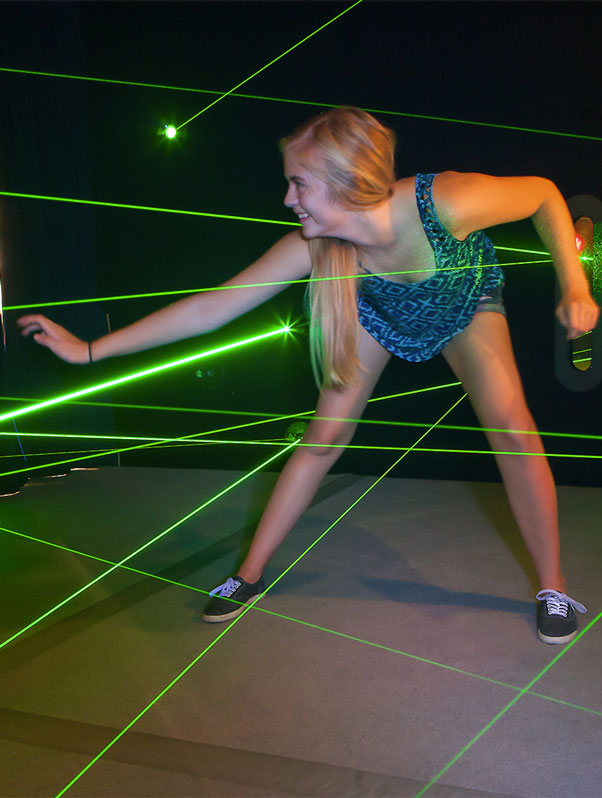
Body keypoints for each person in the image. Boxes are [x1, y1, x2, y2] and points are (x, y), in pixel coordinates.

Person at [18, 108, 599, 644]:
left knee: (514, 433)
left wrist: (575, 286)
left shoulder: (445, 202)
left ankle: (553, 588)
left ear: (346, 183)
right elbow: (211, 309)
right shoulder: (318, 247)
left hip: (465, 299)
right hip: (377, 312)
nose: (288, 197)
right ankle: (247, 575)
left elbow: (544, 197)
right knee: (322, 438)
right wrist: (90, 350)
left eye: (300, 183)